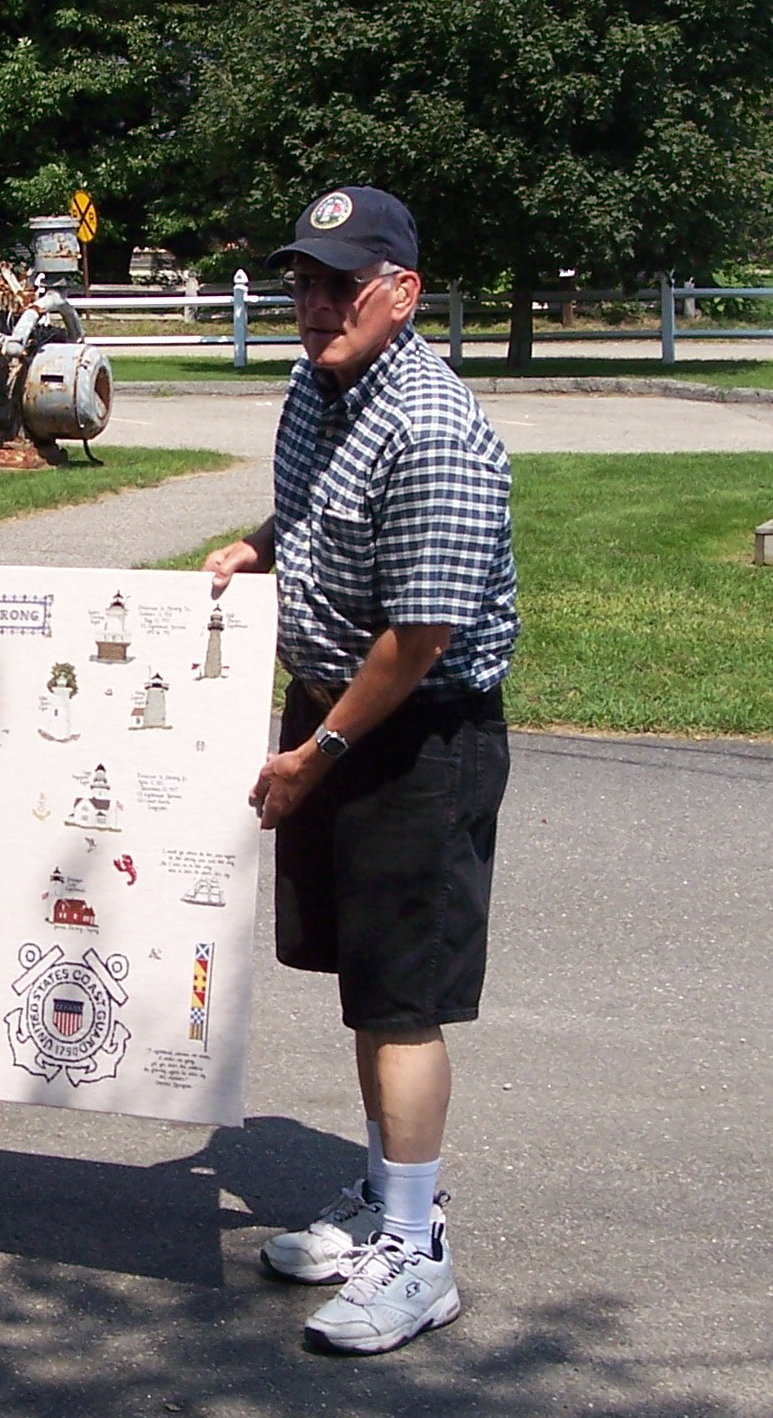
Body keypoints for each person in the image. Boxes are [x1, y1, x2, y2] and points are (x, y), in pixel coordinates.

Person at [205, 187, 517, 1353]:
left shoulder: (433, 428)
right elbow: (320, 510)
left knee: (401, 1002)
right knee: (363, 985)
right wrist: (259, 545)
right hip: (333, 717)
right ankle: (387, 1199)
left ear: (403, 293)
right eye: (303, 281)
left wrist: (316, 753)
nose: (315, 304)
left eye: (341, 283)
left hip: (413, 738)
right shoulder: (319, 388)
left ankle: (417, 1254)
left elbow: (419, 636)